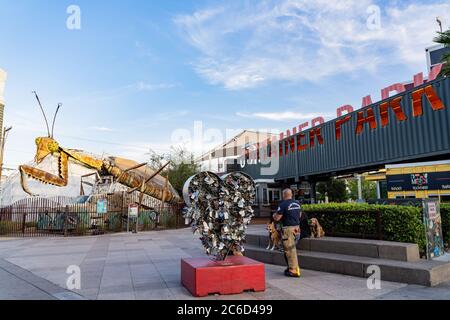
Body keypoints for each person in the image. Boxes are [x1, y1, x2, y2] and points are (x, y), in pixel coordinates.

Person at [273, 188, 302, 278]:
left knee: (290, 250)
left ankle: (293, 270)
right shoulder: (297, 203)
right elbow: (300, 215)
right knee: (292, 249)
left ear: (284, 195)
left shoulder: (283, 204)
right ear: (291, 195)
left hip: (288, 230)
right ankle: (291, 267)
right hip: (297, 229)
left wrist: (274, 215)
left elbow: (277, 218)